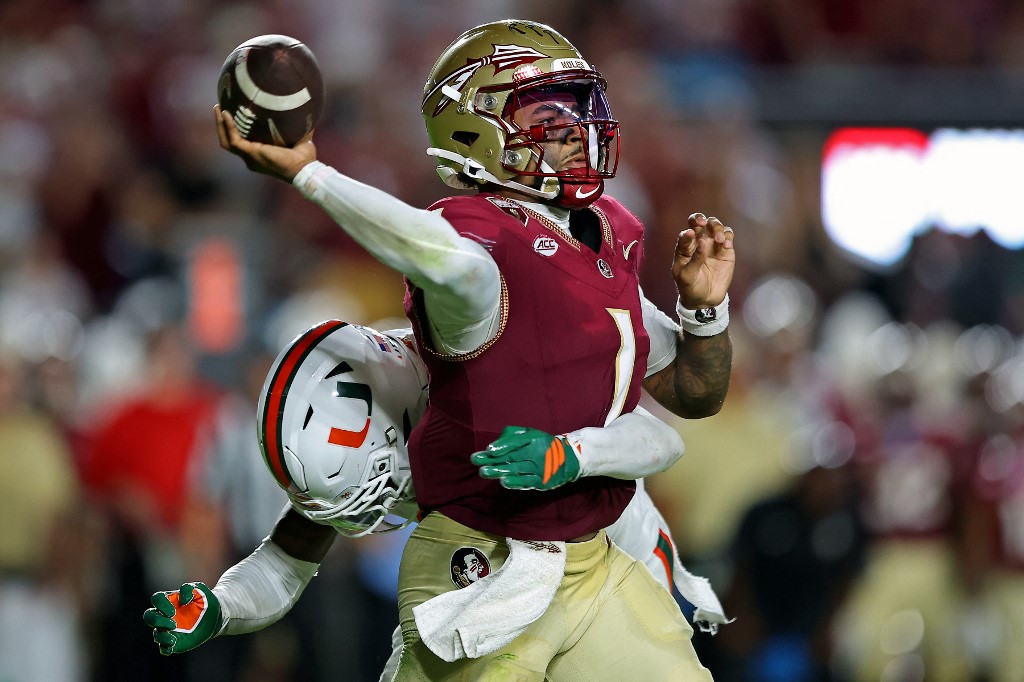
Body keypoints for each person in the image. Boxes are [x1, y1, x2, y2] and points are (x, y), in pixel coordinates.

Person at [213, 19, 735, 680]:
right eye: (550, 114)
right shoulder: (478, 253)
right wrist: (312, 176)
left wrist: (704, 309)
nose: (579, 130)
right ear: (476, 132)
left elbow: (694, 394)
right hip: (479, 562)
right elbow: (441, 257)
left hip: (591, 558)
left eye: (580, 106)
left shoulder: (596, 236)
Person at [144, 321, 729, 681]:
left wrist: (571, 456)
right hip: (490, 584)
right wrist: (222, 605)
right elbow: (289, 558)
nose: (358, 518)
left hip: (607, 556)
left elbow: (655, 438)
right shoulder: (378, 407)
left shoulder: (491, 377)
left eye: (362, 487)